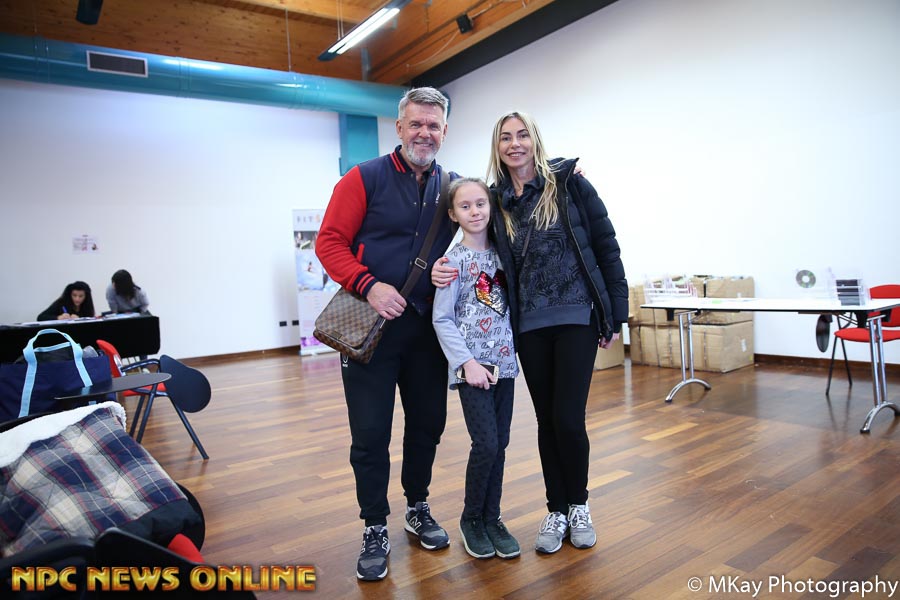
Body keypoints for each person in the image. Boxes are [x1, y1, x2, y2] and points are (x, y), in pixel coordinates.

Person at [433, 110, 628, 554]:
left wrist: (615, 312)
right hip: (529, 327)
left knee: (568, 418)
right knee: (545, 421)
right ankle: (555, 509)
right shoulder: (496, 200)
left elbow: (606, 244)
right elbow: (465, 224)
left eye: (522, 135)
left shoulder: (569, 183)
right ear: (497, 147)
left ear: (535, 140)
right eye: (506, 137)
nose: (515, 143)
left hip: (576, 317)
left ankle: (579, 505)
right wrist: (437, 269)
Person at [315, 87, 457, 582]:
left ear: (444, 131)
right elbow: (329, 243)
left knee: (428, 426)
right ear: (399, 127)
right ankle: (375, 524)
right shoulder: (363, 178)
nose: (424, 133)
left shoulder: (453, 187)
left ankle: (417, 507)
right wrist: (369, 285)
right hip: (369, 328)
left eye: (433, 125)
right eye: (416, 123)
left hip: (427, 331)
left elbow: (492, 211)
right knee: (371, 433)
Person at [431, 178, 521, 560]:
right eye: (465, 206)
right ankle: (471, 519)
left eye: (480, 203)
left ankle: (492, 517)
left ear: (491, 206)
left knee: (501, 443)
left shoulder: (504, 255)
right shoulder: (451, 263)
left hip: (505, 365)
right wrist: (466, 363)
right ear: (453, 214)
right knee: (485, 444)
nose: (475, 211)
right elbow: (442, 319)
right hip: (472, 369)